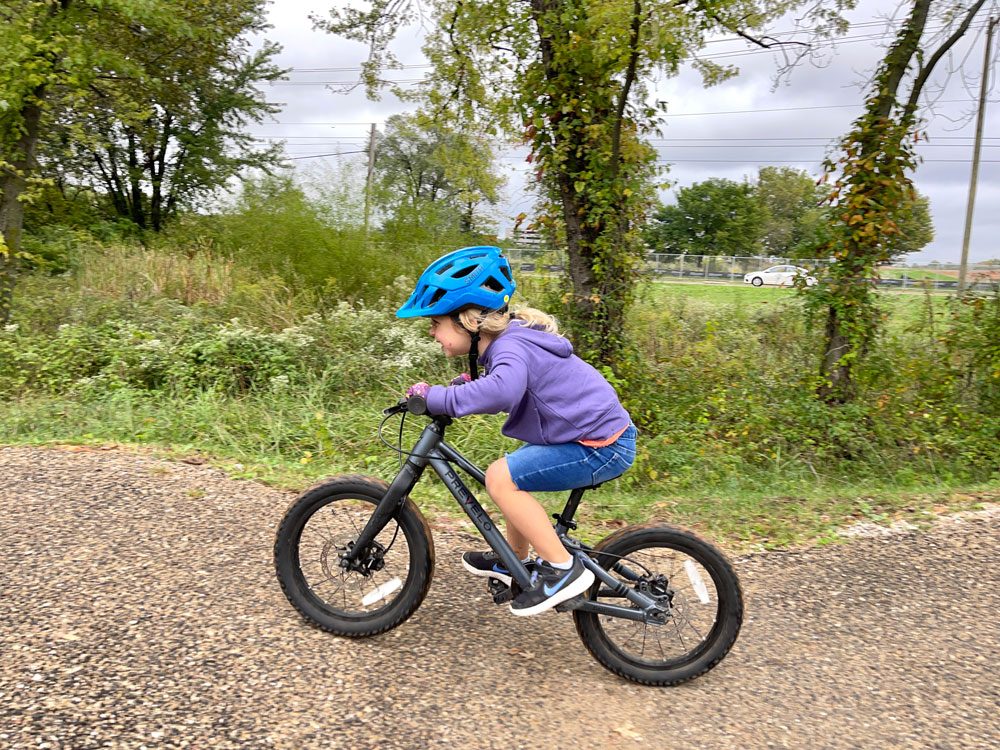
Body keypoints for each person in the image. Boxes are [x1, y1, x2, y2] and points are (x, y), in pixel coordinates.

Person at [397, 245, 636, 616]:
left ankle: (562, 569)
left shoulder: (511, 347)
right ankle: (516, 562)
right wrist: (459, 387)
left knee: (501, 477)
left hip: (601, 445)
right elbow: (506, 381)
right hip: (591, 436)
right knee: (513, 473)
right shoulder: (509, 344)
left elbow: (502, 389)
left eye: (435, 322)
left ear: (469, 320)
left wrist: (439, 398)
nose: (432, 332)